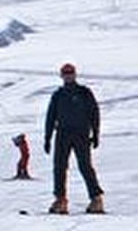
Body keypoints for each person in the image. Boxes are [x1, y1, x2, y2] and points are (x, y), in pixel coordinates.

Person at [43, 62, 104, 214]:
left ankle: (96, 199)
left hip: (81, 134)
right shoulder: (58, 95)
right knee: (59, 167)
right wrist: (48, 138)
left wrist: (96, 134)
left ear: (75, 74)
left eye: (70, 72)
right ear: (61, 76)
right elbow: (50, 117)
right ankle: (60, 200)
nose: (68, 75)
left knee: (85, 166)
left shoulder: (84, 92)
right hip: (62, 134)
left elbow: (94, 113)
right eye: (65, 73)